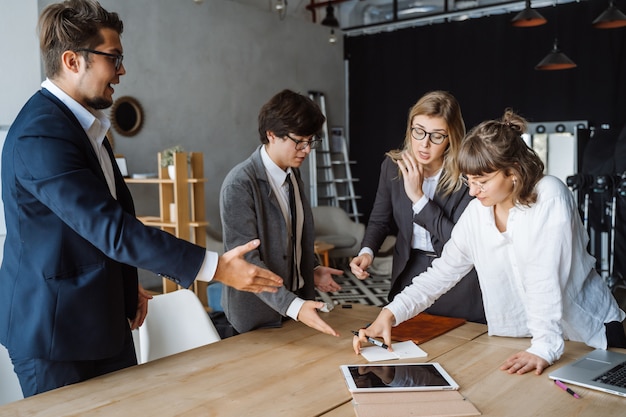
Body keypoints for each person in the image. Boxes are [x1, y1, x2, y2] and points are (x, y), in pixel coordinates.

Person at [0, 0, 283, 397]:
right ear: (72, 60)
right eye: (113, 58)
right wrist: (215, 268)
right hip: (55, 332)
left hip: (102, 317)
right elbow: (111, 229)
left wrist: (122, 284)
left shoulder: (85, 127)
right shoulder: (41, 134)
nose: (122, 70)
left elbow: (91, 228)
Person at [353, 108, 626, 376]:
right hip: (524, 342)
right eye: (468, 180)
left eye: (482, 181)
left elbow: (544, 276)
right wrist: (390, 314)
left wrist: (544, 347)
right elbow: (440, 274)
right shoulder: (477, 213)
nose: (472, 191)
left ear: (513, 171)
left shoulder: (549, 196)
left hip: (587, 336)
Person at [349, 91, 485, 323]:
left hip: (457, 280)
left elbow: (460, 242)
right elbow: (380, 220)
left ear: (451, 137)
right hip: (408, 272)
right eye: (418, 131)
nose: (424, 143)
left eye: (436, 136)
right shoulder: (393, 166)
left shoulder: (467, 176)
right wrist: (367, 252)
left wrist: (419, 198)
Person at [220, 89, 344, 337]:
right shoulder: (240, 184)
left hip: (295, 310)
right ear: (271, 135)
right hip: (257, 319)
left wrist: (311, 270)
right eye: (299, 141)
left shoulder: (292, 173)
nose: (307, 149)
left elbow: (292, 238)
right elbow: (246, 262)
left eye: (311, 141)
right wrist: (293, 306)